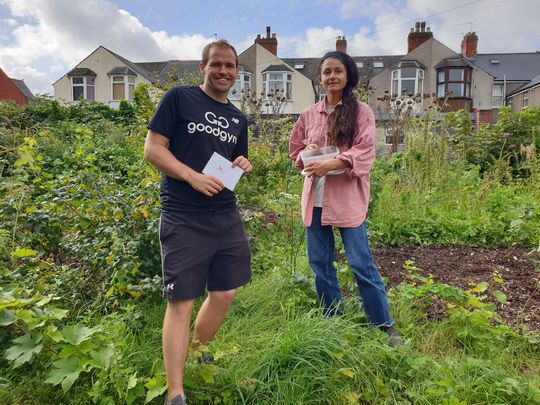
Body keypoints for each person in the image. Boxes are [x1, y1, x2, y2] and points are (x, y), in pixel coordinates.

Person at [144, 39, 253, 405]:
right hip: (183, 215)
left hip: (224, 213)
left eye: (231, 66)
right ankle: (175, 393)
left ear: (237, 72)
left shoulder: (238, 118)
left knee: (225, 293)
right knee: (182, 302)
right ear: (203, 67)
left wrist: (242, 164)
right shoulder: (179, 98)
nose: (224, 71)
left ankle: (198, 348)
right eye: (216, 64)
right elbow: (153, 149)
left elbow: (235, 159)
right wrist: (191, 176)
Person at [289, 51, 402, 346]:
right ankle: (331, 319)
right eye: (326, 72)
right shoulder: (308, 114)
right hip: (315, 199)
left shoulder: (361, 112)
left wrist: (333, 162)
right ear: (320, 78)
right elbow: (295, 151)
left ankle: (384, 324)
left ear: (348, 75)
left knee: (361, 263)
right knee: (320, 263)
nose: (332, 77)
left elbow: (365, 151)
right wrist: (308, 152)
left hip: (347, 200)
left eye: (338, 71)